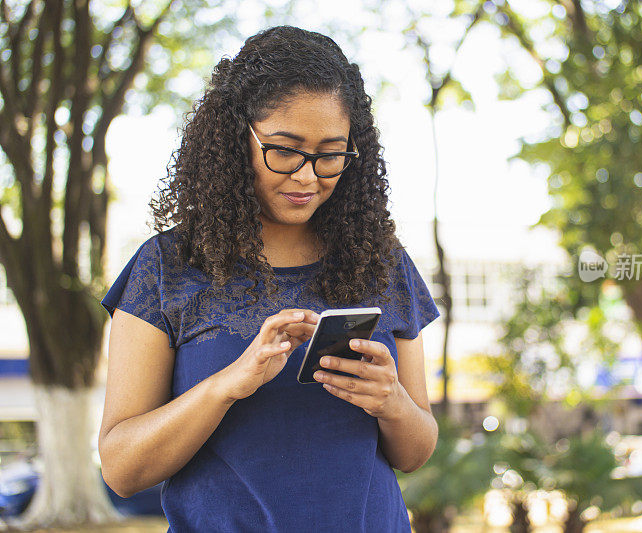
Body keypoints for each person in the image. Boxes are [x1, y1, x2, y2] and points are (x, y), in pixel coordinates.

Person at [97, 25, 441, 532]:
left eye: (330, 154)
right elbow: (123, 470)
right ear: (238, 138)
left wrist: (391, 401)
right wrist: (228, 385)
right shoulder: (168, 267)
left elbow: (415, 452)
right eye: (285, 150)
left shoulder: (382, 264)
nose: (308, 176)